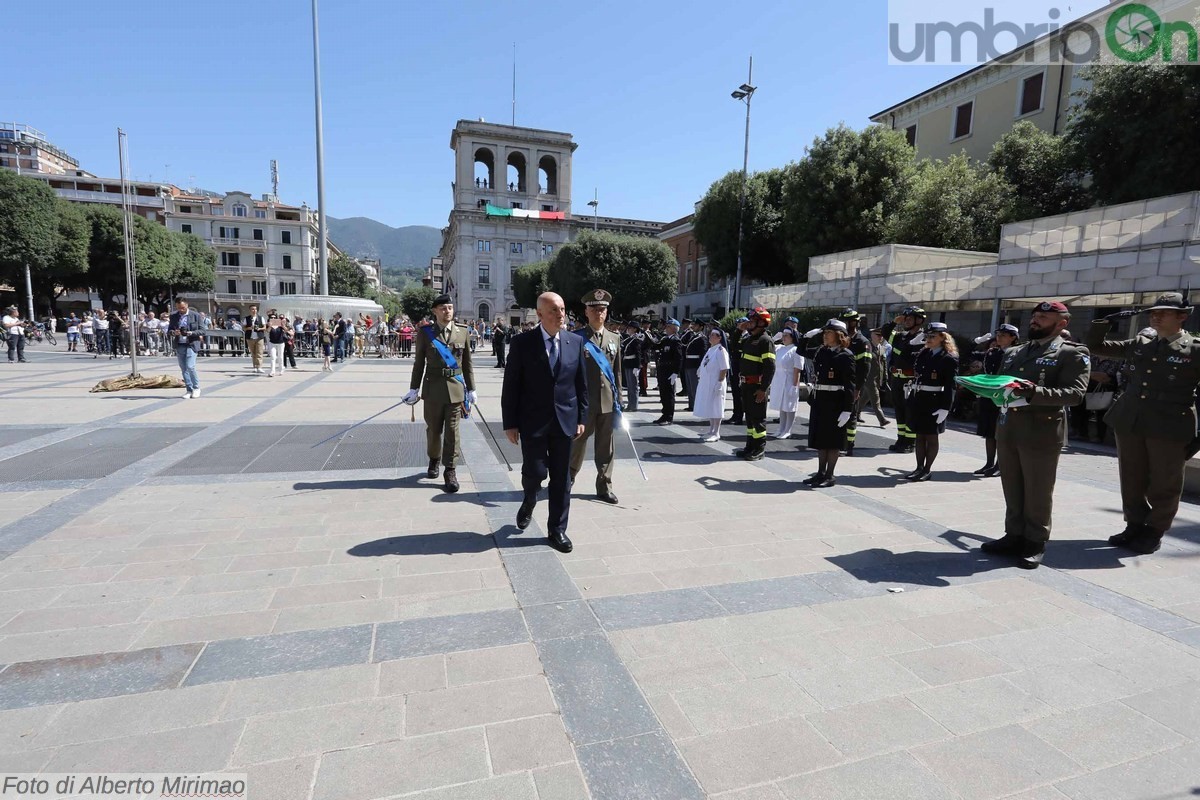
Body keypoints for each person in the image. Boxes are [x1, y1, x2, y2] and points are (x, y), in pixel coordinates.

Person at [1087, 293, 1200, 555]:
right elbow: (1096, 346)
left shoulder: (1194, 349)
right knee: (1132, 477)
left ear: (1182, 316)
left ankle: (1155, 529)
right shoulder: (1141, 342)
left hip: (1170, 423)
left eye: (1164, 312)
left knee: (1165, 480)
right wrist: (1104, 320)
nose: (1156, 316)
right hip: (1131, 418)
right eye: (1153, 312)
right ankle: (1135, 523)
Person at [981, 300, 1090, 568]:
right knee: (1013, 487)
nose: (1035, 320)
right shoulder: (1014, 352)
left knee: (1038, 490)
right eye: (1034, 316)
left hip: (1042, 430)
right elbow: (1003, 385)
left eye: (1043, 317)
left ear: (1062, 323)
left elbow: (1075, 394)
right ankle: (1013, 534)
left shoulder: (1072, 353)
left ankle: (1035, 541)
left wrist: (1034, 392)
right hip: (1009, 428)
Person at [502, 292, 588, 554]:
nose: (560, 314)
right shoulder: (522, 344)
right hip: (533, 422)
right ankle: (529, 499)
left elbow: (581, 386)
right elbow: (511, 386)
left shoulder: (575, 342)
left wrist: (582, 417)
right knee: (535, 472)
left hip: (565, 421)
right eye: (553, 310)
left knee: (562, 478)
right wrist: (510, 423)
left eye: (562, 309)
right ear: (539, 315)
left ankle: (557, 529)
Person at [403, 294, 476, 494]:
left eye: (450, 308)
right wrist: (413, 388)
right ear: (435, 311)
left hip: (455, 389)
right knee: (434, 430)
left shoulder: (462, 332)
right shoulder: (426, 333)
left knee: (453, 431)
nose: (448, 311)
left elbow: (467, 364)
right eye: (443, 308)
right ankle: (434, 459)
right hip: (433, 389)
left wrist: (472, 388)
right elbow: (419, 364)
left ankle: (450, 471)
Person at [570, 289, 623, 504]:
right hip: (584, 403)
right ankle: (568, 478)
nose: (598, 313)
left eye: (602, 309)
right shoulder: (576, 338)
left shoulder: (615, 338)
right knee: (577, 443)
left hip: (608, 401)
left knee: (606, 446)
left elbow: (617, 371)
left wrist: (620, 399)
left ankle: (604, 485)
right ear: (586, 311)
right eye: (594, 309)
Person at [904, 322, 959, 481]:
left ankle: (927, 469)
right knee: (919, 436)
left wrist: (945, 408)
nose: (928, 339)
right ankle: (919, 467)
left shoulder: (949, 358)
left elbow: (951, 385)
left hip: (935, 401)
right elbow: (905, 358)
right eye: (927, 336)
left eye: (932, 336)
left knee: (931, 437)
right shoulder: (924, 353)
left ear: (943, 337)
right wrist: (913, 342)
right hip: (920, 398)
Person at [805, 320, 855, 487]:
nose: (825, 335)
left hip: (836, 402)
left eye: (829, 332)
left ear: (839, 335)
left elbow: (850, 385)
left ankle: (830, 475)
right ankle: (820, 473)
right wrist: (807, 336)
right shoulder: (822, 351)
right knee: (821, 440)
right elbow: (801, 350)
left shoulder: (846, 355)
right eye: (824, 332)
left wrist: (848, 409)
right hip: (820, 400)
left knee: (833, 442)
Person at [973, 324, 1019, 476]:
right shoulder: (992, 352)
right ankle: (989, 463)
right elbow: (970, 355)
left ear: (1013, 338)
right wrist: (977, 341)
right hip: (989, 396)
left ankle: (1000, 465)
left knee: (1002, 434)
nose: (999, 337)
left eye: (1004, 335)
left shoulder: (1018, 354)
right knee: (989, 432)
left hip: (1006, 397)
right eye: (998, 334)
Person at [881, 307, 927, 452]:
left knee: (910, 412)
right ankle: (901, 439)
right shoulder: (901, 336)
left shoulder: (923, 338)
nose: (906, 321)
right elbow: (885, 333)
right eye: (905, 319)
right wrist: (894, 322)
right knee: (899, 410)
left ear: (918, 320)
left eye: (909, 319)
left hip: (911, 380)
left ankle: (910, 442)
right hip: (897, 379)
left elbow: (912, 357)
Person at [734, 308, 776, 460]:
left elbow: (770, 367)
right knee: (750, 418)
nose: (748, 323)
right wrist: (739, 331)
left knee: (758, 419)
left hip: (757, 387)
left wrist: (763, 389)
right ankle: (750, 447)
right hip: (746, 385)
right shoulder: (749, 339)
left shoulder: (765, 341)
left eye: (752, 320)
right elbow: (734, 348)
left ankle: (759, 449)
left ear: (761, 322)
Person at [837, 309, 873, 456]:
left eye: (846, 321)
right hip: (838, 384)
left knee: (851, 416)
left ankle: (849, 445)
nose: (844, 324)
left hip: (852, 386)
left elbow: (865, 368)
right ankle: (839, 443)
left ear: (854, 322)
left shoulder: (862, 342)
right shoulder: (841, 339)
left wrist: (857, 388)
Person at [694, 328, 730, 442]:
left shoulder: (720, 350)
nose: (710, 336)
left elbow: (724, 368)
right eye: (710, 334)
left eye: (714, 335)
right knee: (710, 406)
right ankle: (711, 430)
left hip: (716, 382)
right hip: (707, 383)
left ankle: (716, 432)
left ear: (719, 338)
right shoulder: (711, 349)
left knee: (717, 406)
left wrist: (720, 382)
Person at [168, 298, 205, 398]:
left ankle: (196, 387)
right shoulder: (173, 316)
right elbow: (170, 330)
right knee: (183, 368)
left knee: (190, 366)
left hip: (191, 343)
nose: (181, 310)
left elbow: (202, 330)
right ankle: (189, 389)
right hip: (179, 343)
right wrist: (173, 332)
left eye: (183, 308)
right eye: (179, 308)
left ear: (187, 305)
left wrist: (191, 333)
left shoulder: (196, 315)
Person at [770, 329, 801, 439]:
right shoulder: (780, 348)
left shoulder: (796, 350)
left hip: (789, 380)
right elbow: (769, 346)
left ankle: (788, 430)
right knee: (782, 406)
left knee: (789, 406)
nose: (784, 338)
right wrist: (774, 338)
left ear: (792, 337)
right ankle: (781, 428)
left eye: (786, 336)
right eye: (783, 335)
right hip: (779, 380)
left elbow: (797, 369)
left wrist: (794, 386)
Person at [652, 319, 684, 425]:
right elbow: (656, 346)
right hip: (663, 369)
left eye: (668, 326)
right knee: (663, 394)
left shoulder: (676, 341)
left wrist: (675, 372)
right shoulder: (665, 339)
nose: (666, 328)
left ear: (674, 328)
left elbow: (679, 358)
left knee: (669, 394)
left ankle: (669, 417)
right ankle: (664, 414)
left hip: (670, 371)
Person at [683, 319, 706, 412]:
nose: (693, 327)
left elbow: (703, 353)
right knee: (689, 387)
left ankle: (696, 406)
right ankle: (691, 405)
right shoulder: (694, 336)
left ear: (701, 327)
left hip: (695, 364)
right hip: (688, 363)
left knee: (694, 387)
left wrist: (701, 367)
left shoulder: (702, 338)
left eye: (696, 325)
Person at [620, 322, 644, 412]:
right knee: (629, 386)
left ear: (635, 329)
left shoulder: (636, 339)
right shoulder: (630, 339)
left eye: (630, 328)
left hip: (633, 365)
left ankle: (633, 406)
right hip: (627, 364)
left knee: (633, 386)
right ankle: (630, 404)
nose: (628, 329)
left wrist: (637, 367)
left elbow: (638, 354)